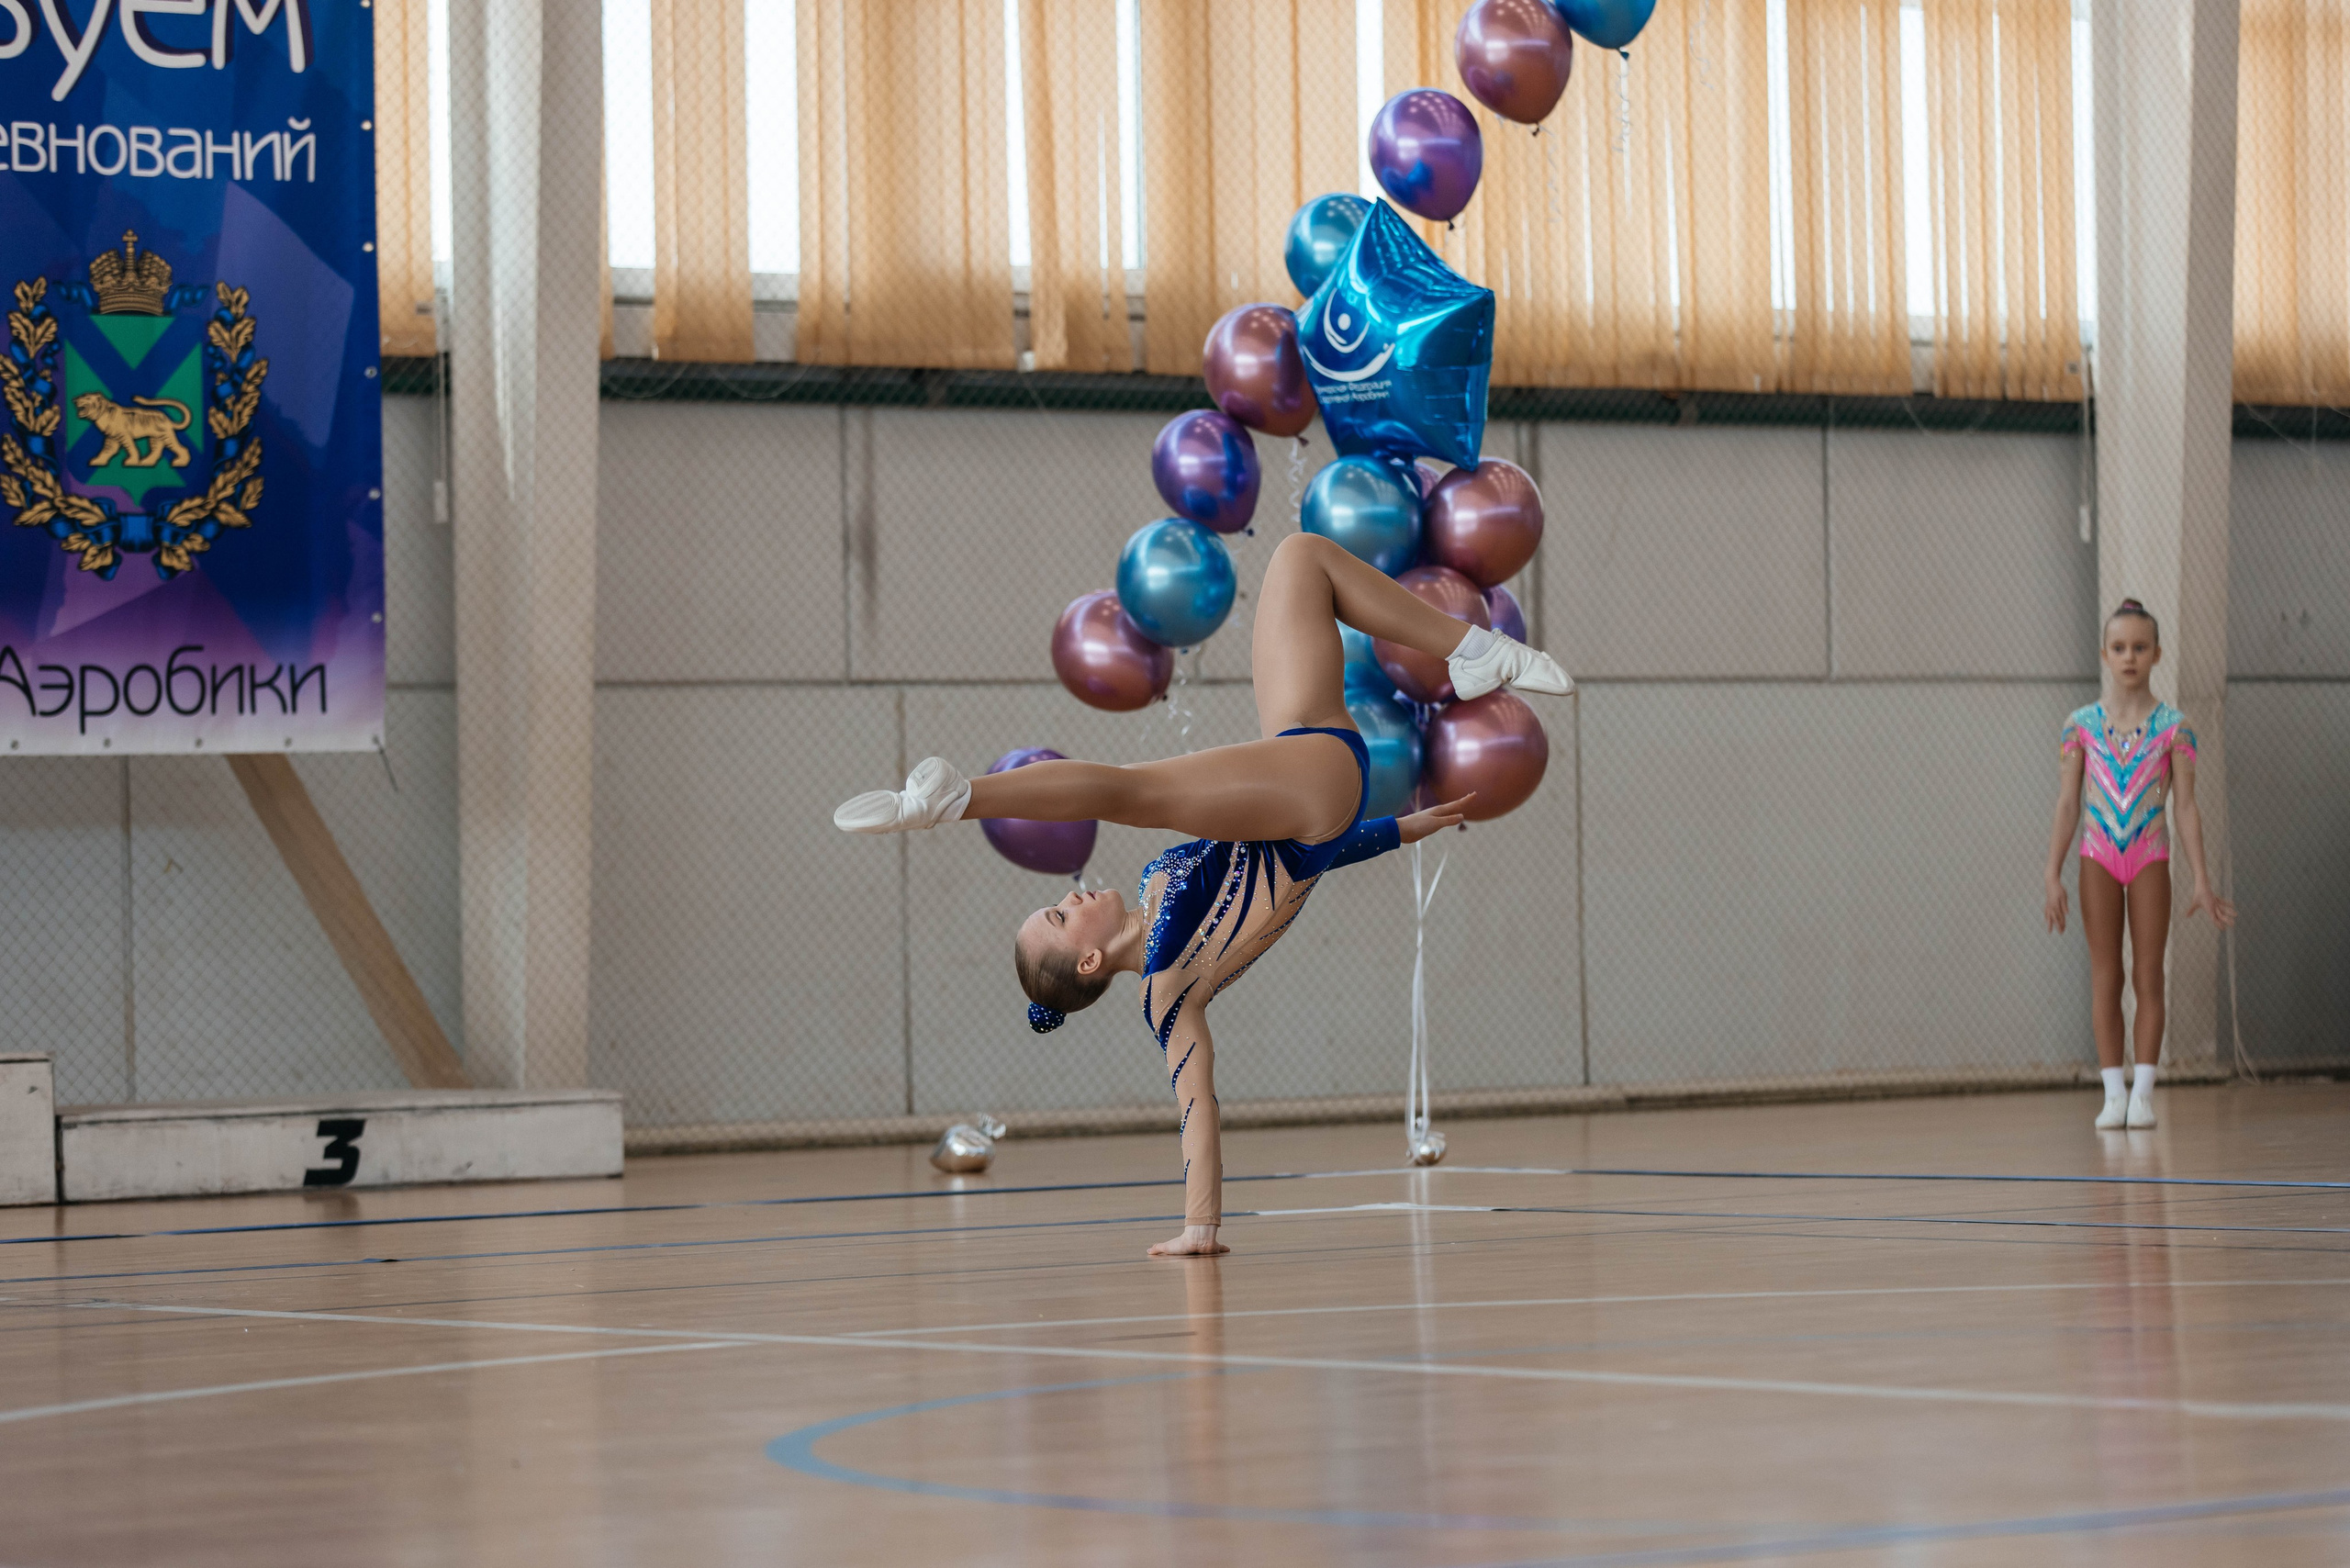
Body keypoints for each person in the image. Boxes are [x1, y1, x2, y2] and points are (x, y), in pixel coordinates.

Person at [834, 532, 1572, 1256]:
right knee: (1134, 790)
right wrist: (1201, 1226)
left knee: (1301, 559)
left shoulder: (1159, 883)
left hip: (1308, 762)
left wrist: (1402, 829)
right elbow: (1197, 1108)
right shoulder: (1166, 989)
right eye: (1063, 916)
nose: (1076, 895)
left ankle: (1474, 651)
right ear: (1088, 963)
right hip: (1312, 798)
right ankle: (956, 800)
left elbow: (1300, 871)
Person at [2042, 599, 2235, 1130]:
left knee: (2149, 974)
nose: (2130, 657)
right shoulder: (2079, 726)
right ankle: (2112, 1093)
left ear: (2156, 654)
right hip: (2097, 857)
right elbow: (2067, 804)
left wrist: (2200, 878)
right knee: (2107, 973)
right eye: (2120, 648)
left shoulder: (2176, 727)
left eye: (2140, 648)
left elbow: (2186, 806)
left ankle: (2144, 1092)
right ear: (2106, 654)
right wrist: (2051, 873)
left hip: (2149, 855)